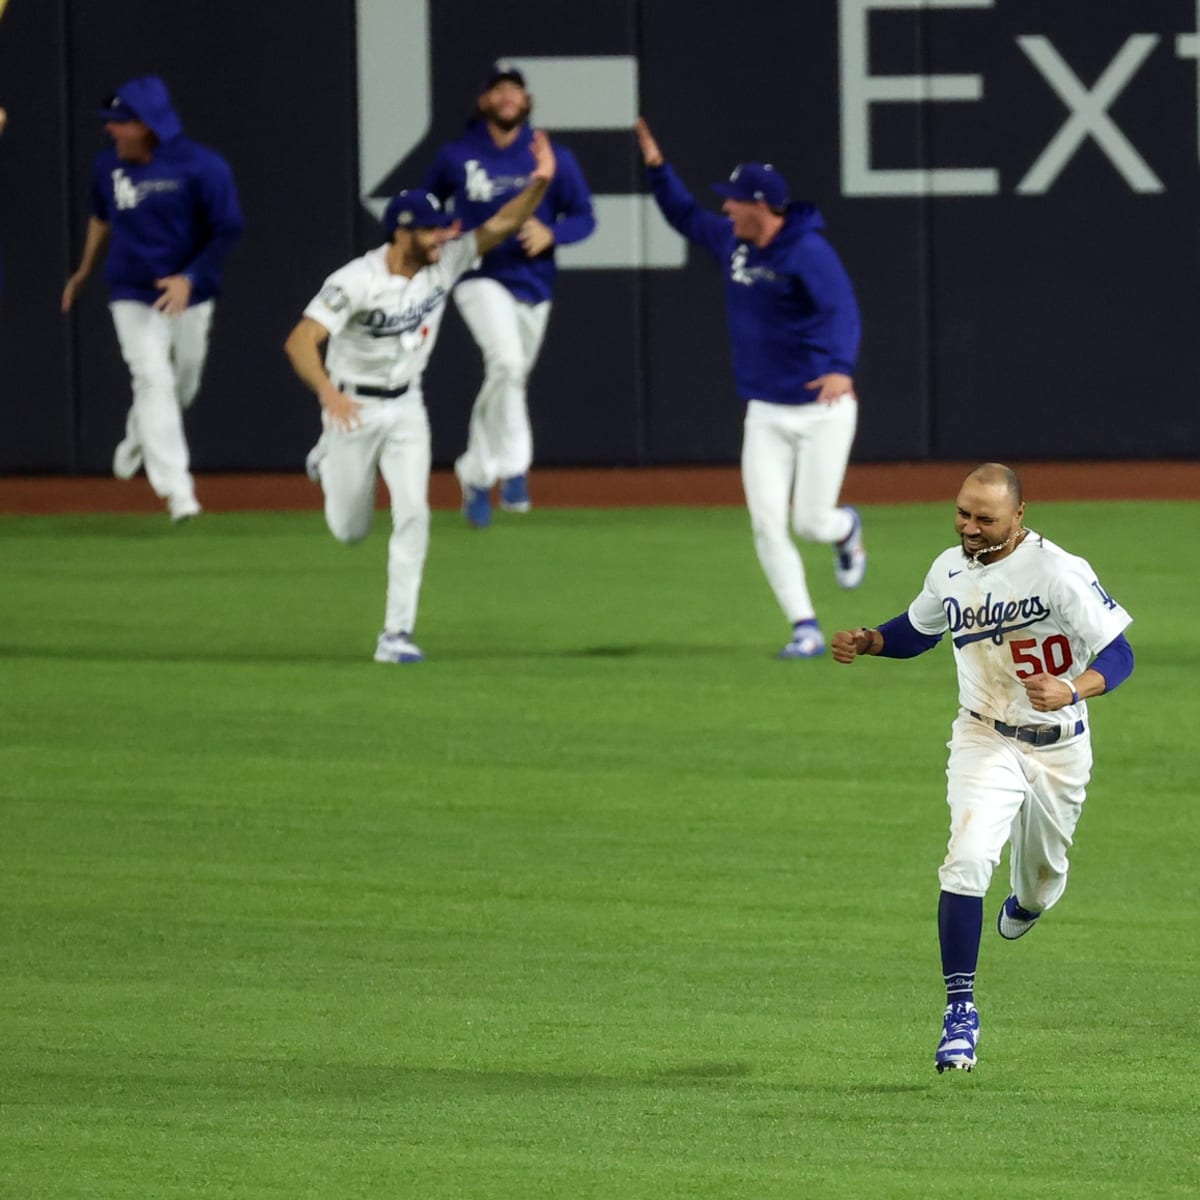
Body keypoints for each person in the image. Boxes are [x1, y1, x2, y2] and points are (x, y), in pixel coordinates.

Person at [831, 463, 1135, 1073]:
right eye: (963, 513)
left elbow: (1120, 653)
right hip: (982, 735)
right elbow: (919, 631)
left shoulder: (1059, 572)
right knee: (966, 859)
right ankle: (960, 1011)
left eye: (984, 518)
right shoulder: (949, 567)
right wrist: (870, 640)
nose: (969, 527)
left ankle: (1031, 899)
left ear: (1019, 516)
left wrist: (1076, 689)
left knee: (1041, 882)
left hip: (1057, 746)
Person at [283, 131, 558, 664]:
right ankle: (326, 456)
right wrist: (327, 395)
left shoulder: (447, 260)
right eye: (430, 229)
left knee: (414, 513)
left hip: (408, 406)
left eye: (441, 227)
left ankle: (396, 635)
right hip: (351, 408)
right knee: (350, 530)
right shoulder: (356, 280)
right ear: (401, 233)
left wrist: (541, 181)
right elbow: (300, 340)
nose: (441, 236)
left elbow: (501, 223)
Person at [635, 117, 866, 659]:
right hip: (765, 411)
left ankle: (844, 529)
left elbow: (843, 309)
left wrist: (841, 365)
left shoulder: (807, 251)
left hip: (822, 408)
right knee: (766, 522)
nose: (725, 210)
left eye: (734, 202)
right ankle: (804, 627)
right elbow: (685, 216)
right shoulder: (732, 241)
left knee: (809, 522)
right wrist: (657, 170)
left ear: (759, 205)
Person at [61, 76, 243, 522]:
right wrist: (84, 269)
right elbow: (101, 216)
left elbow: (227, 228)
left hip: (188, 293)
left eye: (120, 123)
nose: (110, 130)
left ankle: (139, 432)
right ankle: (180, 494)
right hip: (131, 291)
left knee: (184, 379)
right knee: (152, 380)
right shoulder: (107, 167)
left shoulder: (203, 166)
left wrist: (191, 277)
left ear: (147, 126)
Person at [423, 61, 595, 528]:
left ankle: (476, 474)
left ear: (526, 101)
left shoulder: (550, 157)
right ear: (484, 101)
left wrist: (552, 234)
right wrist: (438, 229)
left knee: (511, 378)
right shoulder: (458, 155)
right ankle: (515, 468)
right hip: (478, 274)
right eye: (498, 90)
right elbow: (425, 204)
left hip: (534, 285)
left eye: (514, 91)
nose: (507, 97)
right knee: (506, 364)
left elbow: (585, 217)